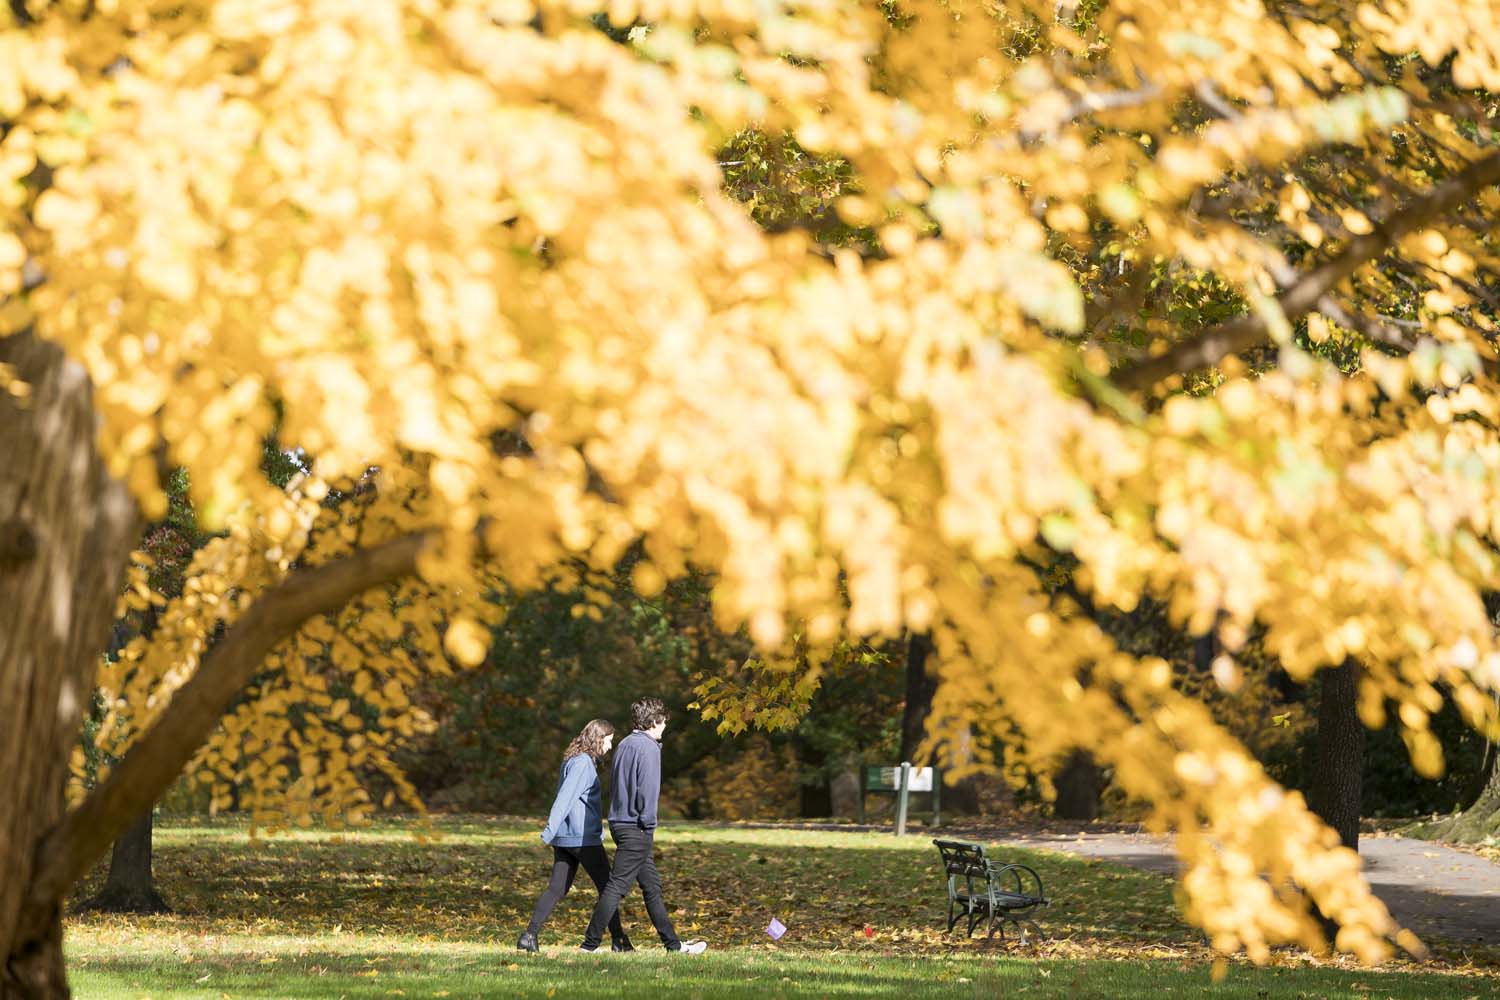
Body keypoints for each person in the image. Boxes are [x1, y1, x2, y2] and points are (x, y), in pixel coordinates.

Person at [579, 698, 708, 954]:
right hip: (636, 825)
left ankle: (672, 945)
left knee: (652, 887)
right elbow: (647, 791)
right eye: (663, 722)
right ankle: (589, 944)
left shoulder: (625, 743)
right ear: (654, 721)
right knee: (617, 886)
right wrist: (648, 824)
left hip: (619, 821)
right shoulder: (649, 747)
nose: (664, 727)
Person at [518, 719, 633, 953]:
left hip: (567, 838)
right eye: (608, 741)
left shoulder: (573, 759)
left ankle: (529, 936)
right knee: (608, 888)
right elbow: (565, 797)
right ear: (597, 739)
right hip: (582, 838)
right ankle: (618, 940)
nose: (610, 747)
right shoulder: (582, 763)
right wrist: (550, 829)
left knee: (557, 888)